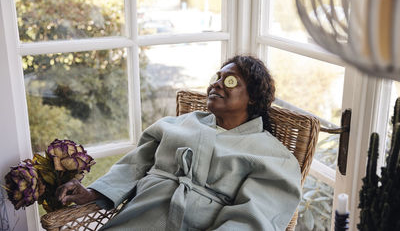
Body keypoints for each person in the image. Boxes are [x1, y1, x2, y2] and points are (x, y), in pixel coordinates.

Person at [56, 55, 301, 231]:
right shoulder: (178, 124)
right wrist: (93, 193)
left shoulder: (273, 156)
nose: (215, 84)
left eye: (230, 81)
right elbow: (136, 164)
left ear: (253, 97)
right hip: (141, 216)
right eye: (217, 78)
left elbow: (254, 216)